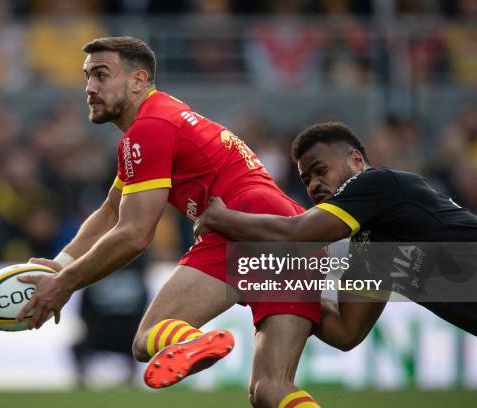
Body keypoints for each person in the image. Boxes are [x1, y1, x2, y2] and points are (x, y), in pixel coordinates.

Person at [16, 36, 322, 408]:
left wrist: (65, 284)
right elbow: (112, 211)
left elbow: (134, 235)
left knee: (147, 338)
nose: (90, 88)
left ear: (138, 80)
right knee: (271, 389)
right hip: (292, 230)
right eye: (87, 77)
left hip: (243, 224)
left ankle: (188, 340)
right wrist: (61, 264)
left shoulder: (149, 129)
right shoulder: (164, 117)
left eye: (101, 75)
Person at [194, 121, 477, 350]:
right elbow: (345, 332)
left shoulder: (377, 183)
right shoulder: (370, 253)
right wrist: (268, 285)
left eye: (321, 171)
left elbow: (296, 233)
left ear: (356, 160)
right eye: (306, 180)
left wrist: (222, 218)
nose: (315, 185)